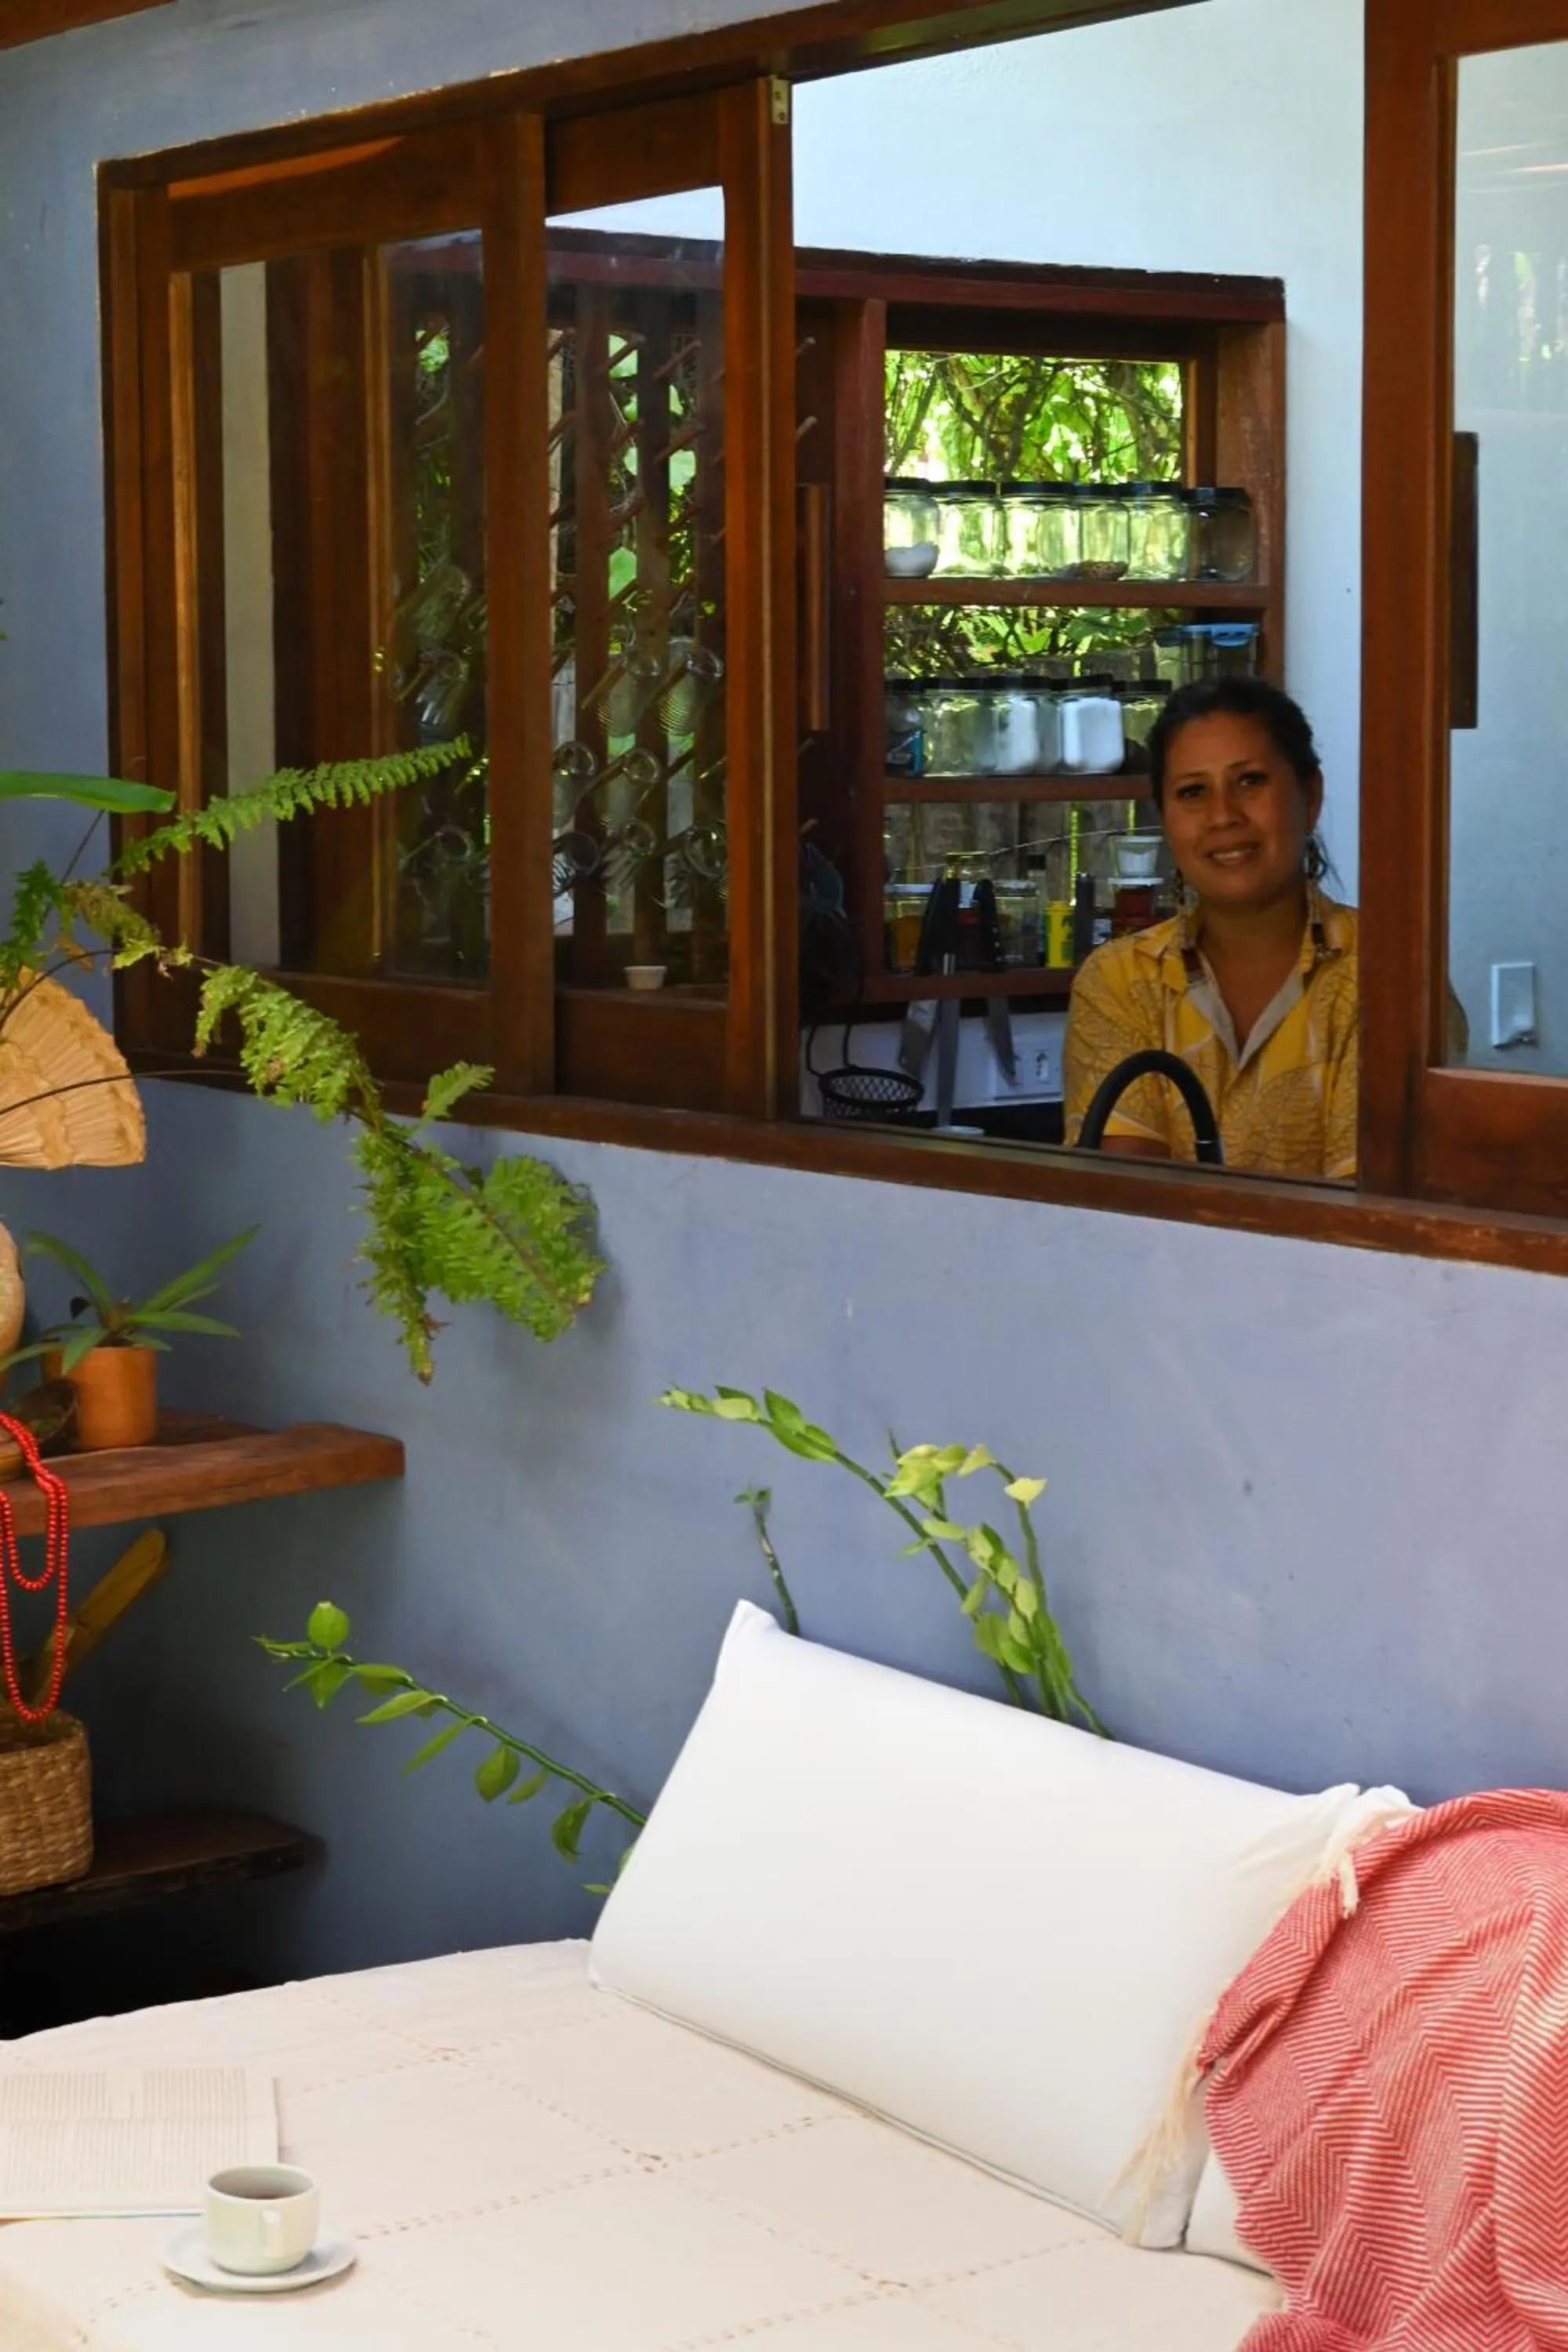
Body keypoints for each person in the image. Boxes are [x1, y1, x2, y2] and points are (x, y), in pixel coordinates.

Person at [1062, 677, 1357, 1180]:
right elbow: (1128, 1206)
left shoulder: (1387, 980)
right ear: (1166, 819)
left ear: (1310, 796)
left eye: (1250, 781)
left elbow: (1369, 1219)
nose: (1223, 816)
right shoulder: (1120, 981)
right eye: (1193, 792)